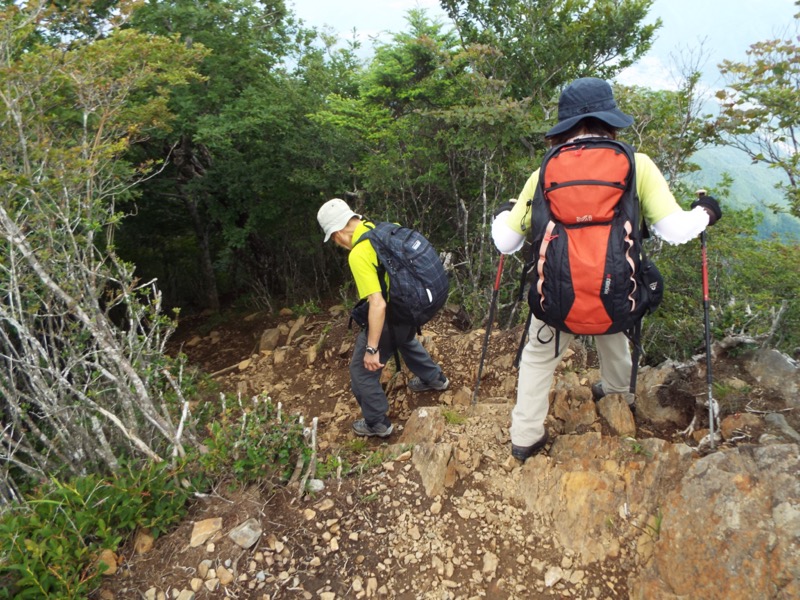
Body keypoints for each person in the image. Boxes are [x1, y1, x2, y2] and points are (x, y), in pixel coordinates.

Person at [492, 77, 722, 462]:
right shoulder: (636, 164)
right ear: (610, 120)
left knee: (537, 354)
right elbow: (675, 230)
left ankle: (525, 436)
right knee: (613, 313)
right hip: (616, 293)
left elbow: (506, 243)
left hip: (556, 298)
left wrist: (503, 214)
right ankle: (617, 391)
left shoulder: (544, 172)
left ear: (564, 126)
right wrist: (706, 212)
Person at [317, 198, 450, 438]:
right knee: (404, 338)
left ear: (336, 234)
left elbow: (377, 304)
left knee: (362, 372)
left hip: (396, 312)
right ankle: (435, 379)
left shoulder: (358, 254)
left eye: (334, 240)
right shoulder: (384, 228)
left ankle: (377, 423)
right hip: (415, 305)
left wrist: (371, 348)